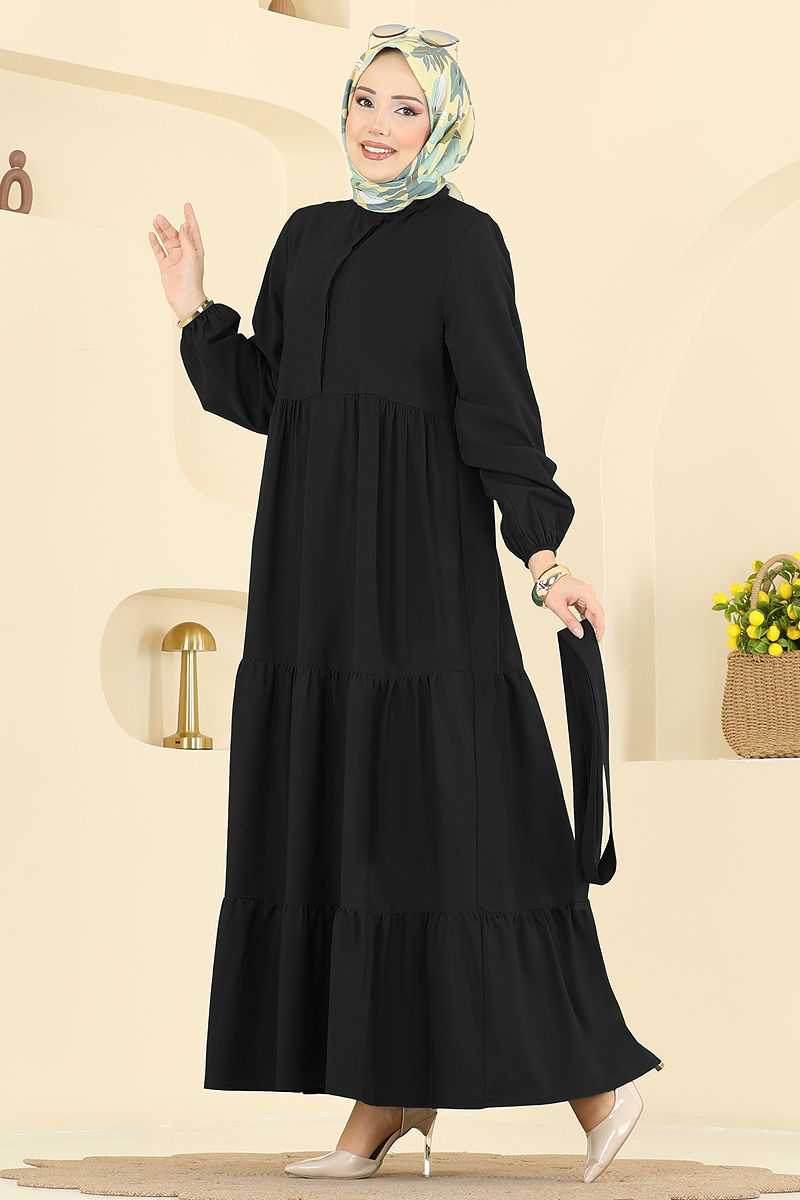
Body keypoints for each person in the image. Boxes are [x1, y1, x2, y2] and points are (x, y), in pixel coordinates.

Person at [148, 23, 663, 1185]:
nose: (376, 126)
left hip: (421, 580)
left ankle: (595, 1083)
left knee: (455, 834)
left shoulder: (463, 245)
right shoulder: (306, 235)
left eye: (404, 108)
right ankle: (381, 1100)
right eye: (364, 101)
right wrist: (191, 308)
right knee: (352, 832)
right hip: (312, 583)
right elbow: (271, 393)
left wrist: (542, 559)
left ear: (441, 127)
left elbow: (497, 417)